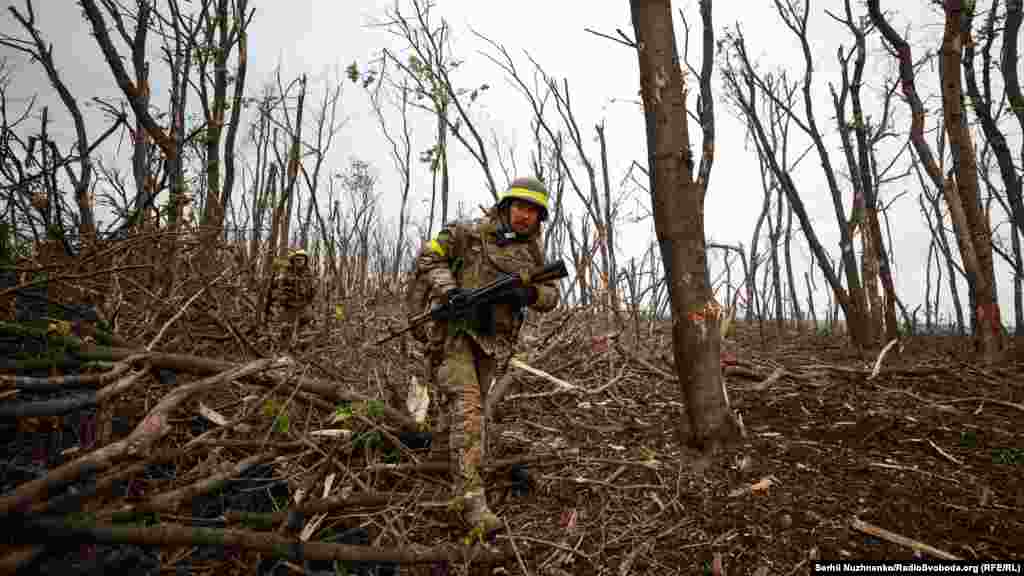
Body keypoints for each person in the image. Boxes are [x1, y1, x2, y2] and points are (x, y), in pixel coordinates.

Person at [412, 176, 560, 535]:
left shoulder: (532, 254)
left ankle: (436, 463)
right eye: (520, 206)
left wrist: (527, 295)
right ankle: (470, 501)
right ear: (506, 206)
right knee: (468, 407)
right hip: (455, 334)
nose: (525, 216)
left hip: (492, 343)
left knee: (463, 411)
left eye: (533, 211)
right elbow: (428, 256)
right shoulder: (468, 233)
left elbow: (551, 296)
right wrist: (449, 291)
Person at [271, 249, 316, 341]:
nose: (300, 262)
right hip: (289, 306)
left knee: (304, 331)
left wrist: (310, 302)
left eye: (302, 259)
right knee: (285, 331)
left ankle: (301, 346)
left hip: (303, 306)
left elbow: (313, 291)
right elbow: (277, 287)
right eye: (297, 259)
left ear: (305, 261)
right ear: (293, 260)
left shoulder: (309, 274)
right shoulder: (286, 273)